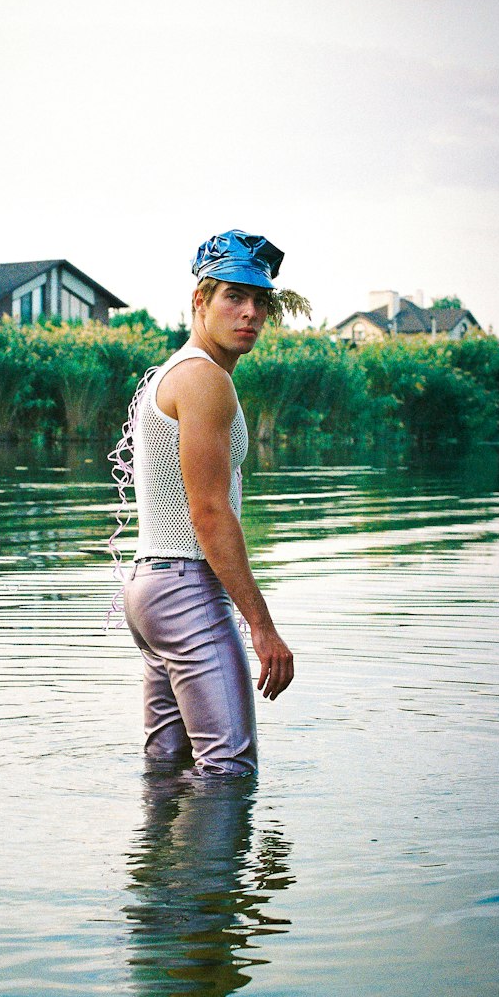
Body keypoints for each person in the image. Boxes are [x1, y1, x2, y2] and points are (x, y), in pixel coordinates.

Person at [120, 230, 296, 777]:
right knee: (229, 768)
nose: (250, 313)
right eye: (234, 297)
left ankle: (158, 863)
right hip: (185, 587)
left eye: (260, 301)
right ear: (200, 300)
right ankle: (214, 866)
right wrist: (262, 626)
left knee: (169, 766)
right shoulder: (204, 379)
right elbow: (210, 512)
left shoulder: (178, 371)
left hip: (151, 590)